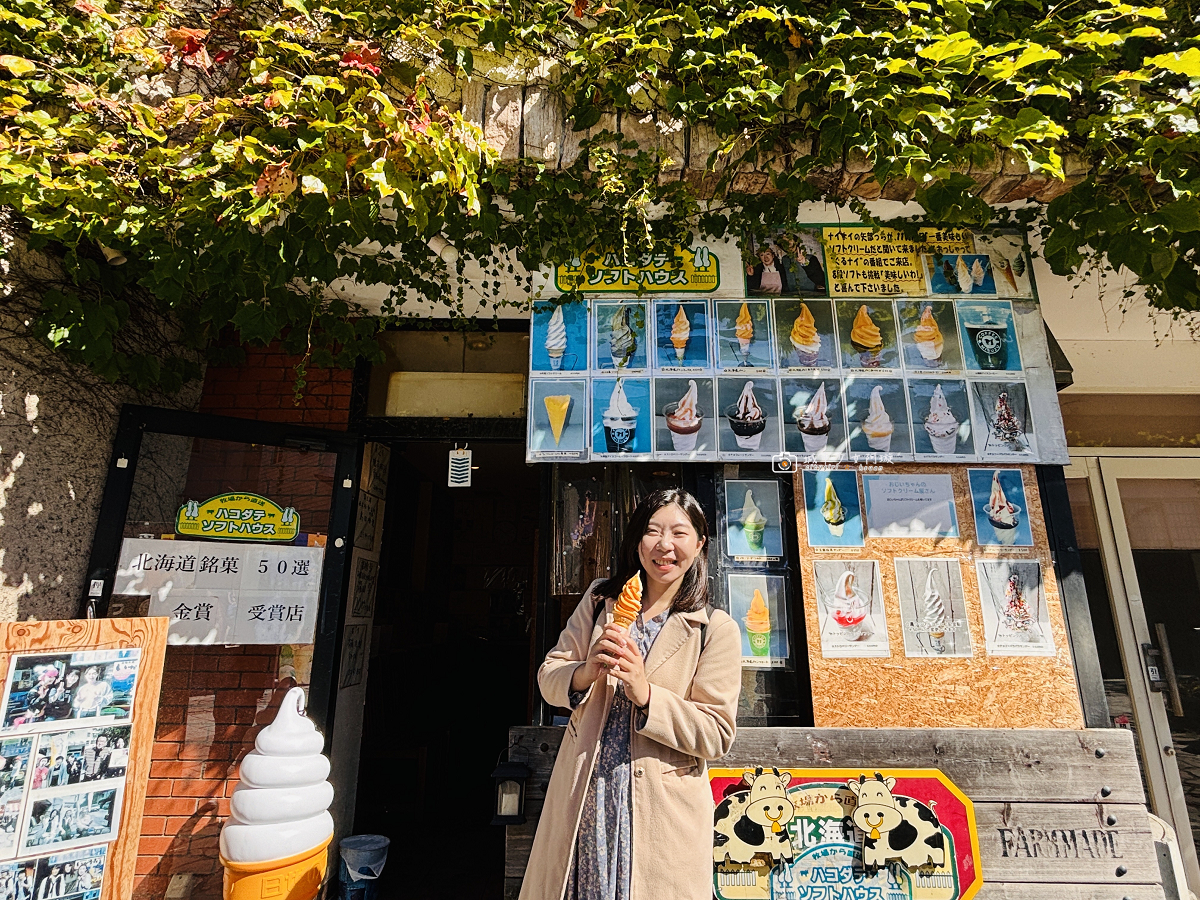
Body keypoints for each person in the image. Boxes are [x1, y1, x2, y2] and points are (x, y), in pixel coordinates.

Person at [520, 489, 741, 900]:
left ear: (699, 543)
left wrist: (645, 693)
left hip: (660, 809)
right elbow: (549, 677)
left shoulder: (715, 628)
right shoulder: (601, 599)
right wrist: (584, 673)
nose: (664, 546)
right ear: (637, 539)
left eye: (679, 533)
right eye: (652, 531)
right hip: (587, 792)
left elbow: (715, 734)